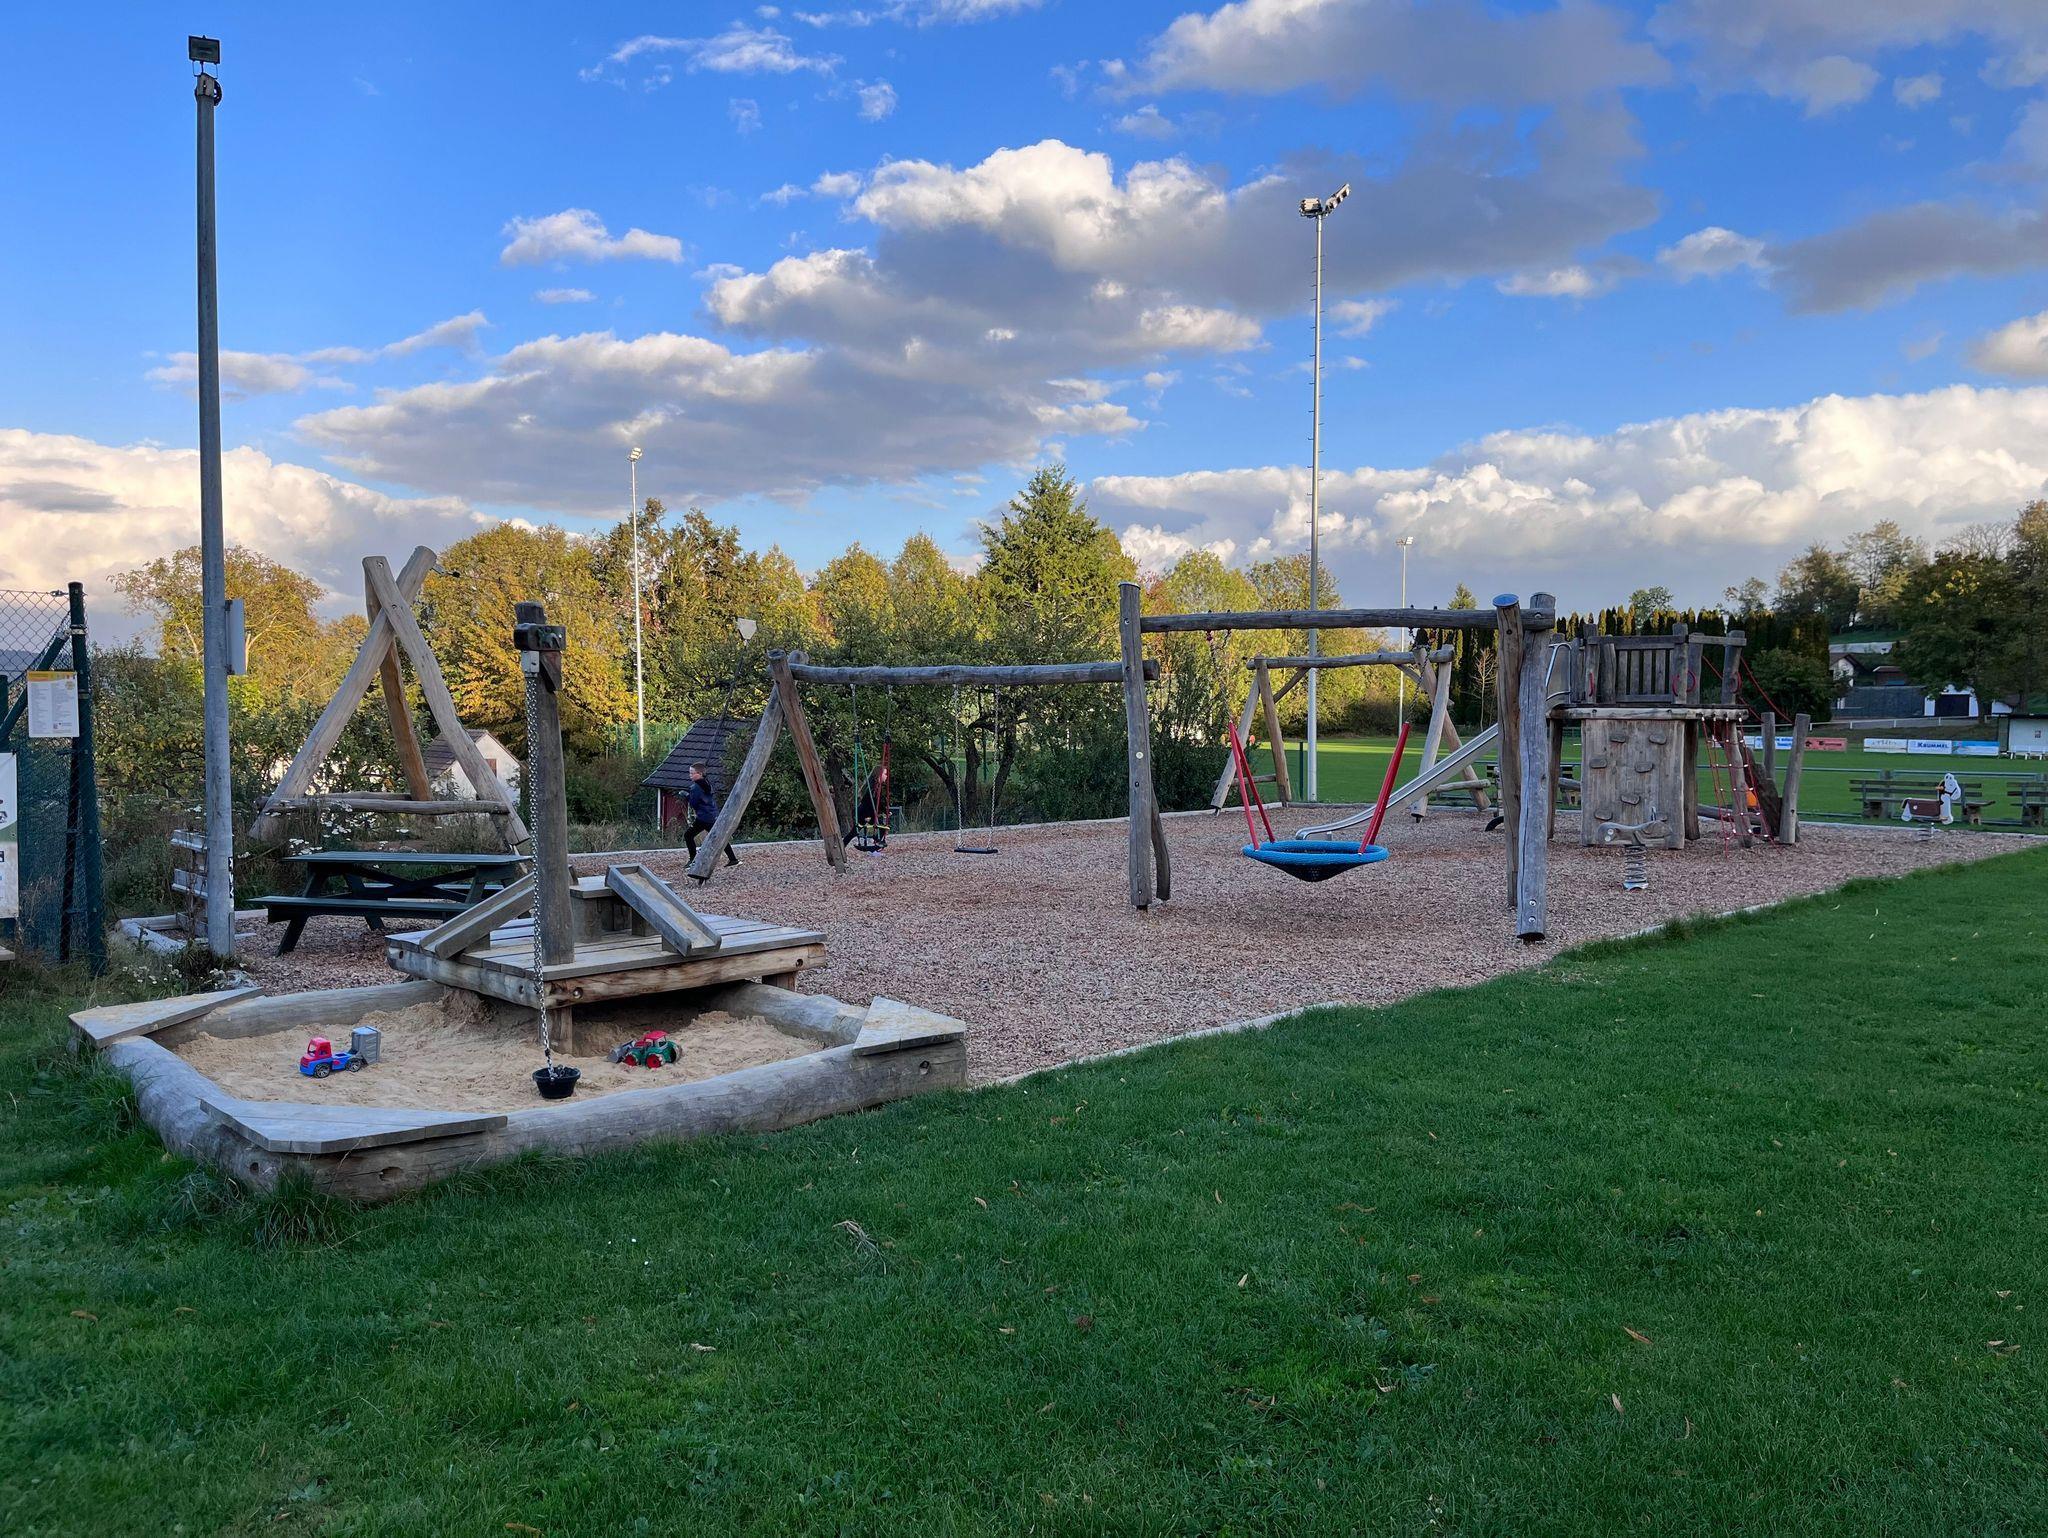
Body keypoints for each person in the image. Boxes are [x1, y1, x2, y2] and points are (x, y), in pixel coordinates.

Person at [682, 764, 739, 867]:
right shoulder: (708, 783)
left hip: (704, 817)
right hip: (712, 814)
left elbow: (694, 803)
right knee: (720, 837)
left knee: (688, 835)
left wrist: (686, 796)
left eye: (692, 773)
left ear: (699, 774)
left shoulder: (695, 787)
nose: (690, 775)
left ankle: (692, 860)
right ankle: (733, 859)